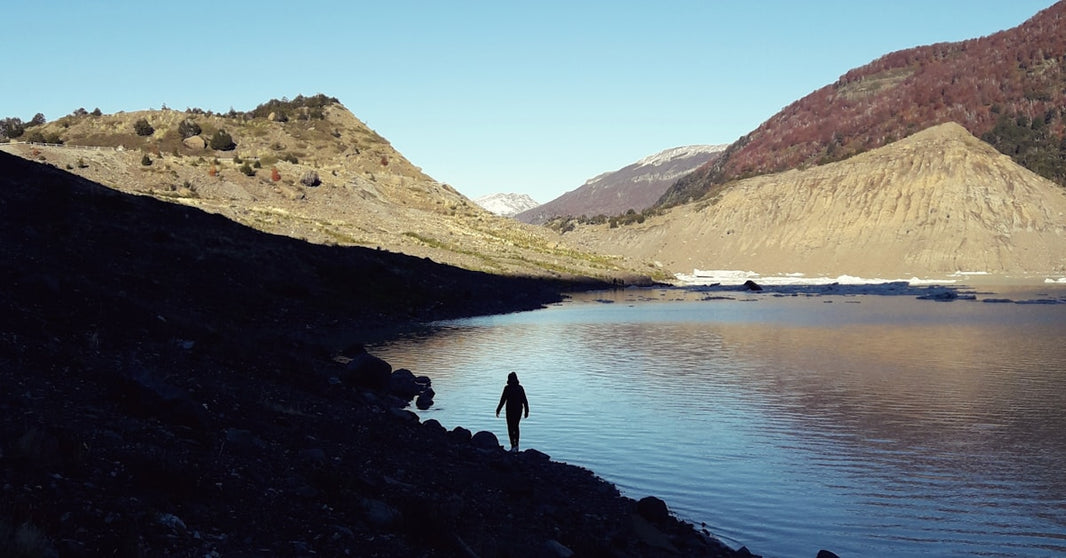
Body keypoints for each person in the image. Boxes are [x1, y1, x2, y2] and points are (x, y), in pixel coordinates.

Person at [495, 371, 529, 452]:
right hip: (517, 411)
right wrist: (526, 411)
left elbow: (502, 400)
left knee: (511, 428)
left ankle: (514, 445)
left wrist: (498, 409)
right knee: (515, 427)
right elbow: (525, 401)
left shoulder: (508, 388)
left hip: (512, 411)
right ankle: (515, 446)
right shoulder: (519, 388)